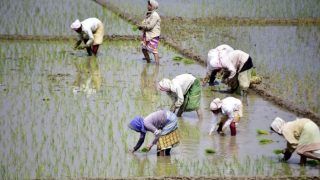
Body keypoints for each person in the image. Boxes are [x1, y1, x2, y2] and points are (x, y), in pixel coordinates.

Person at [138, 0, 161, 65]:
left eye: (149, 5)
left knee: (154, 50)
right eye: (148, 4)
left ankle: (157, 65)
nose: (147, 6)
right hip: (147, 35)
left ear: (153, 6)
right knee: (144, 49)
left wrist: (142, 27)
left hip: (153, 35)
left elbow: (150, 26)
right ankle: (148, 62)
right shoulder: (149, 14)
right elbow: (144, 22)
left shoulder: (155, 15)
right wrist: (141, 25)